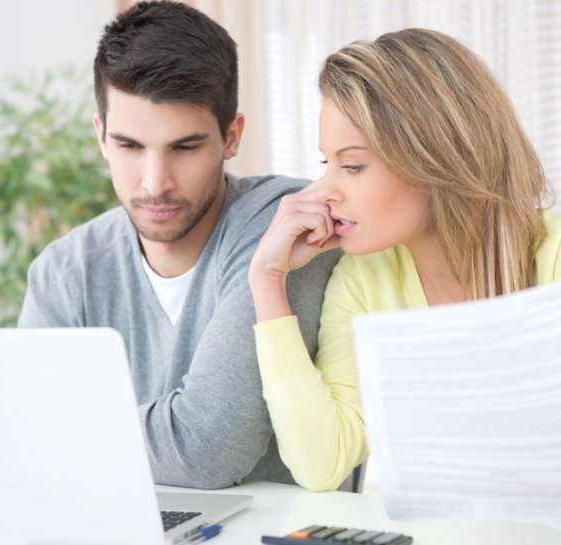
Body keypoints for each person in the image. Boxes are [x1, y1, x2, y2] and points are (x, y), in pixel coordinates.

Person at [249, 28, 561, 542]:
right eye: (327, 163)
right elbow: (320, 463)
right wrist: (267, 282)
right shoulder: (362, 279)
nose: (323, 191)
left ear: (432, 158)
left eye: (352, 165)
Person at [18, 0, 338, 489]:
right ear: (101, 135)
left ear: (232, 137)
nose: (155, 183)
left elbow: (207, 448)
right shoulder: (64, 272)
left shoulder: (285, 225)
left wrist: (74, 431)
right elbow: (27, 435)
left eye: (184, 147)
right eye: (129, 146)